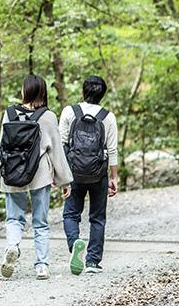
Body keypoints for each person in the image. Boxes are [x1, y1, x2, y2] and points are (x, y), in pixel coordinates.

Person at [0, 74, 73, 280]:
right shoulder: (48, 116)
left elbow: (1, 146)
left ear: (25, 91)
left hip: (12, 171)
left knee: (14, 218)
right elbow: (57, 152)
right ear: (43, 91)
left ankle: (12, 246)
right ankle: (42, 266)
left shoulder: (9, 113)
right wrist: (65, 181)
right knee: (40, 222)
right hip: (39, 174)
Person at [60, 75, 119, 275]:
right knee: (97, 218)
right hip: (98, 173)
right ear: (102, 94)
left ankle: (74, 243)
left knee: (70, 213)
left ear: (83, 91)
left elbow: (62, 145)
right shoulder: (108, 116)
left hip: (73, 172)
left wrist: (59, 175)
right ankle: (92, 262)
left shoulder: (70, 111)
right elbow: (112, 149)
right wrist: (114, 177)